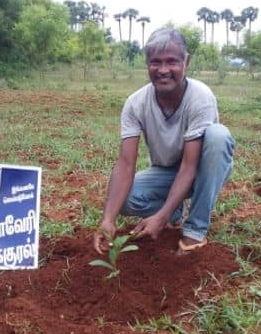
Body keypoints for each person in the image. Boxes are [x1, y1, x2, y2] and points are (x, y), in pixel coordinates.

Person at [93, 28, 235, 255]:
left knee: (218, 136)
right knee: (126, 199)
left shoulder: (200, 98)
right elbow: (125, 163)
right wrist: (108, 219)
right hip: (165, 172)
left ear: (186, 62)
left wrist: (160, 217)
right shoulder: (135, 103)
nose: (163, 70)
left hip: (202, 169)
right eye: (155, 62)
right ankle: (174, 212)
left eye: (172, 62)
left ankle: (194, 231)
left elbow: (189, 167)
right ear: (147, 63)